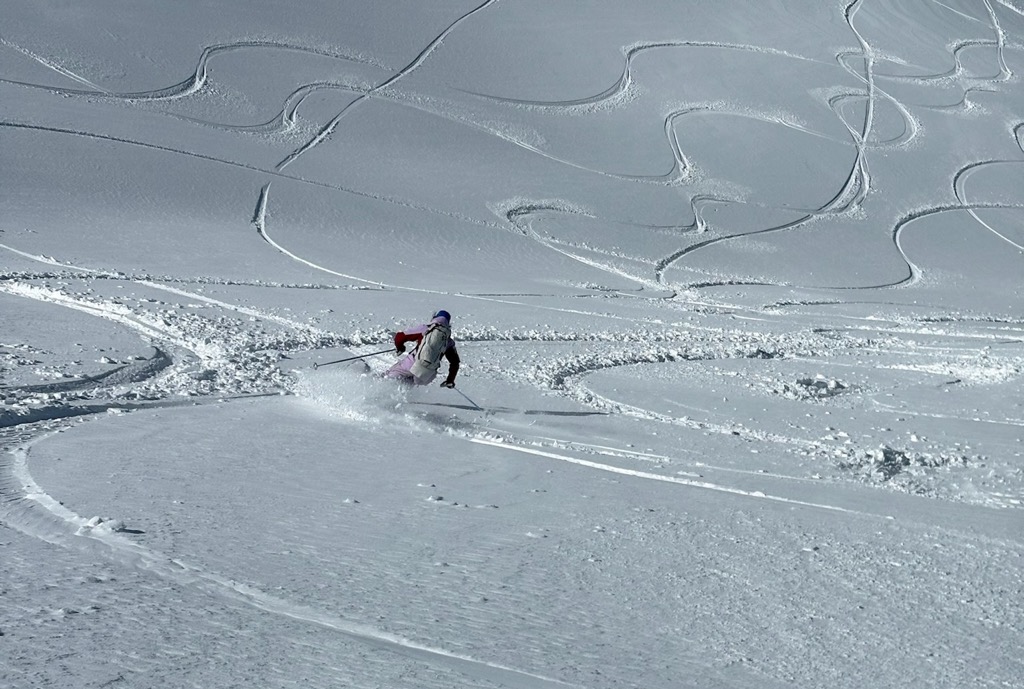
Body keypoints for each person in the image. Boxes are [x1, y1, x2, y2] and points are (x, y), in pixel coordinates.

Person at [385, 310, 460, 387]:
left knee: (391, 375)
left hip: (411, 364)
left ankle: (381, 384)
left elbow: (399, 337)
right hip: (427, 375)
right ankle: (402, 392)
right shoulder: (449, 341)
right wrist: (450, 380)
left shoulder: (425, 329)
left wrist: (400, 348)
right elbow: (455, 363)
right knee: (409, 382)